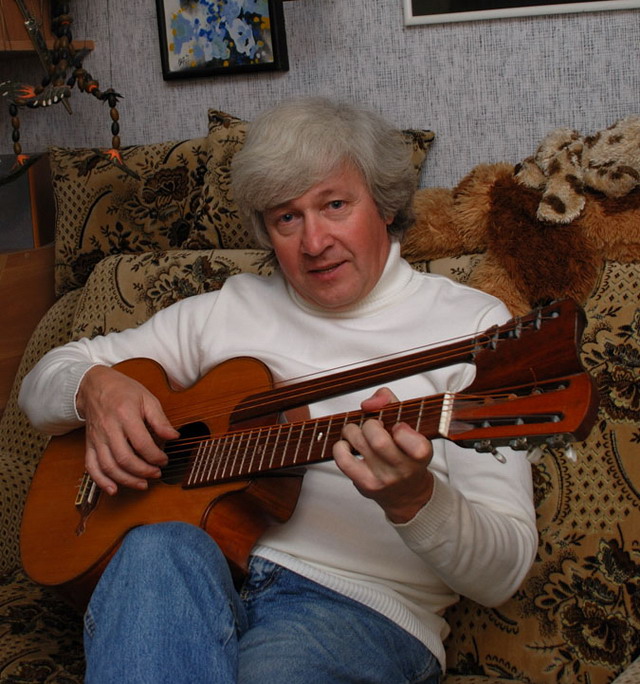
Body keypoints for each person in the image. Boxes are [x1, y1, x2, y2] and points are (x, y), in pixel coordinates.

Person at [19, 97, 537, 684]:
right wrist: (94, 388)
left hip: (357, 611)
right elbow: (45, 379)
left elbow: (504, 572)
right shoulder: (228, 308)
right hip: (200, 573)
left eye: (335, 205)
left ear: (385, 204)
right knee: (153, 549)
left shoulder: (475, 329)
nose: (314, 242)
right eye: (287, 217)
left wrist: (414, 499)